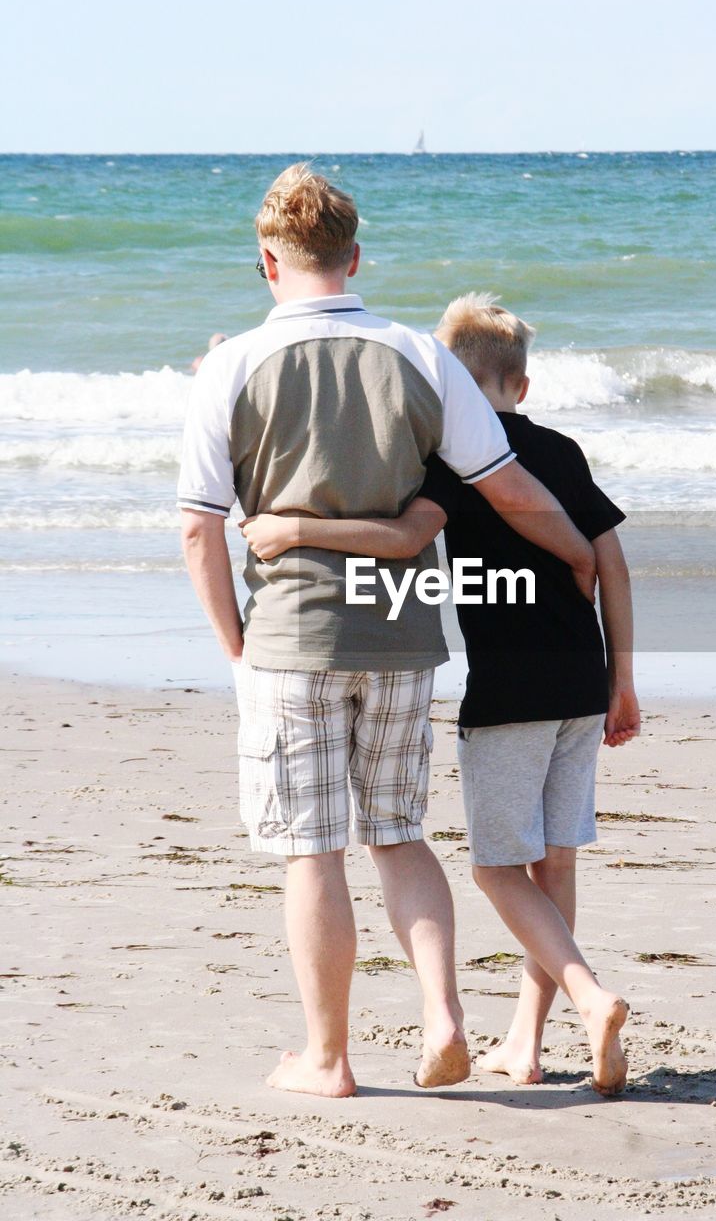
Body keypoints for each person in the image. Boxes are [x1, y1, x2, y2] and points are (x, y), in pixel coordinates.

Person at [178, 168, 599, 1100]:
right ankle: (443, 1017)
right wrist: (578, 555)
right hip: (405, 634)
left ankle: (328, 1058)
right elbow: (508, 487)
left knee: (312, 850)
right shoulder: (419, 351)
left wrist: (233, 647)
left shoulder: (233, 367)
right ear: (355, 257)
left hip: (294, 635)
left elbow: (199, 526)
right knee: (399, 835)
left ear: (266, 262)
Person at [240, 293, 640, 1096]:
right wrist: (622, 677)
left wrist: (292, 530)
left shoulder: (455, 462)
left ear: (449, 389)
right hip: (581, 683)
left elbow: (401, 539)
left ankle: (589, 996)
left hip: (508, 694)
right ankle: (524, 1042)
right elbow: (610, 562)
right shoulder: (561, 450)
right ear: (519, 385)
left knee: (497, 870)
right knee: (551, 861)